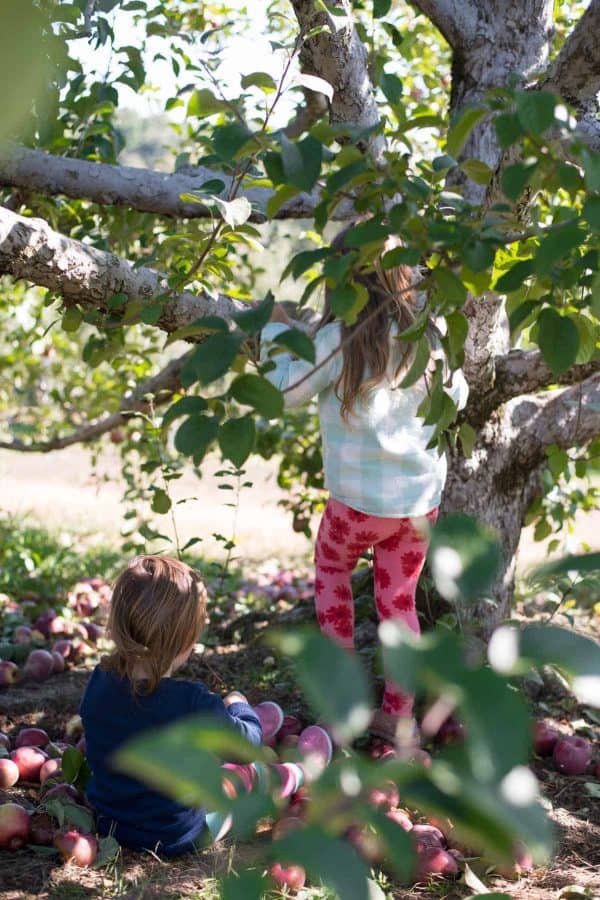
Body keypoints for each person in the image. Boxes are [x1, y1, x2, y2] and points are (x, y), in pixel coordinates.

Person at [260, 229, 469, 746]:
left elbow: (284, 391)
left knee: (333, 577)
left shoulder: (338, 341)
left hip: (354, 506)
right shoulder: (430, 332)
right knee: (399, 604)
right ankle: (398, 716)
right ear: (404, 274)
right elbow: (458, 394)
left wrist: (272, 332)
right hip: (417, 506)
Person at [80, 555, 330, 857]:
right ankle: (300, 770)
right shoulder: (191, 701)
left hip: (112, 825)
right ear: (186, 639)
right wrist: (238, 704)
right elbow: (243, 750)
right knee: (248, 773)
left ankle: (239, 721)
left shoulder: (99, 681)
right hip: (182, 834)